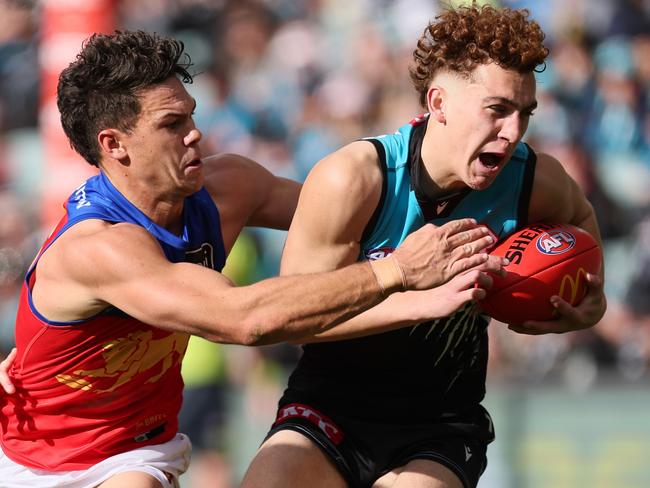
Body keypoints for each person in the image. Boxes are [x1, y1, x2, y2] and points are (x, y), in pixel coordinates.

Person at [0, 30, 505, 488]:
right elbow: (245, 318)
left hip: (133, 455)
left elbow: (357, 211)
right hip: (34, 460)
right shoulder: (100, 246)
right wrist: (397, 271)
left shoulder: (229, 187)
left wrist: (492, 210)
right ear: (115, 145)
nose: (195, 133)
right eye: (172, 124)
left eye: (192, 115)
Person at [241, 6, 607, 488]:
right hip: (328, 409)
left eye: (525, 114)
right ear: (438, 103)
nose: (514, 132)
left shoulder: (533, 180)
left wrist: (587, 304)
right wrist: (412, 294)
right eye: (497, 110)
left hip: (441, 423)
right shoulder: (353, 178)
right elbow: (295, 322)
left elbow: (583, 233)